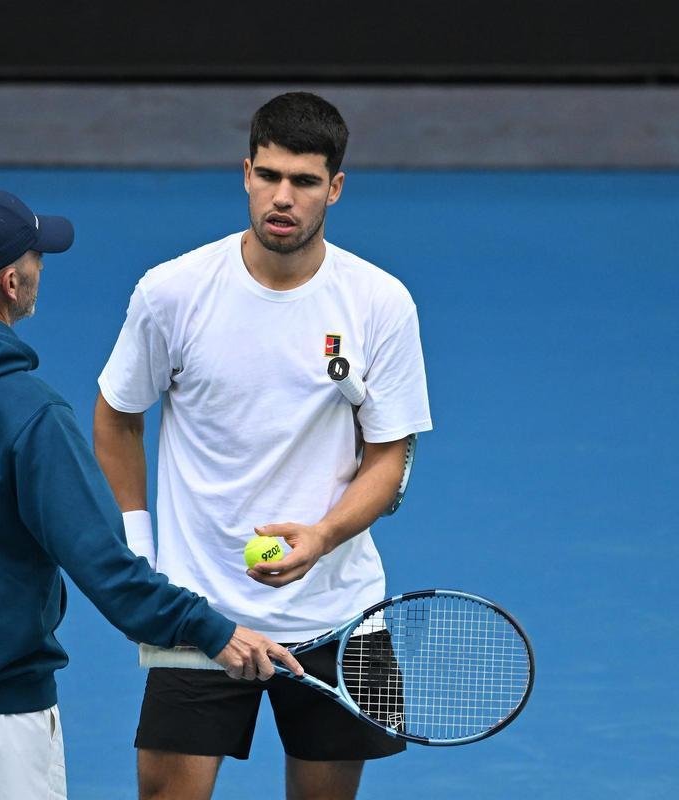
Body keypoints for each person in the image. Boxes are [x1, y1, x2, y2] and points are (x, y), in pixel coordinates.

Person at [0, 189, 301, 800]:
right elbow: (108, 570)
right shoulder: (32, 415)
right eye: (37, 257)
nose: (43, 266)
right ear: (12, 283)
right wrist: (211, 630)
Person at [93, 93, 433, 799]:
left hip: (338, 612)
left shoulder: (381, 303)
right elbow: (117, 413)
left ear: (334, 189)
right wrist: (138, 544)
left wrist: (320, 536)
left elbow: (388, 458)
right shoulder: (173, 292)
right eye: (269, 175)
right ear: (246, 172)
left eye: (305, 182)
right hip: (199, 606)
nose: (284, 197)